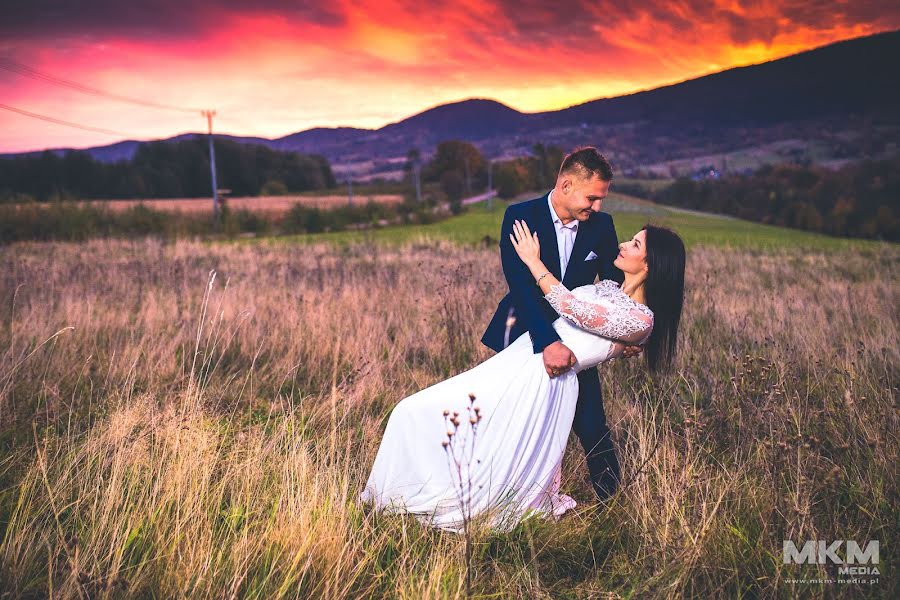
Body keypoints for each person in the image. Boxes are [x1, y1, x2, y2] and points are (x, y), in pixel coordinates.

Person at [359, 216, 686, 532]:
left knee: (460, 427)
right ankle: (397, 494)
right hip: (518, 361)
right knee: (416, 411)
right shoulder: (608, 289)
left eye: (635, 244)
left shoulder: (640, 319)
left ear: (651, 263)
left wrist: (533, 261)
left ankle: (447, 499)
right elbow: (590, 321)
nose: (623, 244)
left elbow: (572, 308)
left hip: (543, 380)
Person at [482, 147, 634, 501]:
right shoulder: (520, 216)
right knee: (517, 422)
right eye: (592, 197)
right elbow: (521, 287)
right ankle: (503, 497)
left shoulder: (602, 225)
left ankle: (611, 502)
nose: (596, 207)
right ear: (566, 185)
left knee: (592, 422)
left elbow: (613, 286)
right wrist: (548, 342)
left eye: (601, 199)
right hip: (525, 333)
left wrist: (626, 332)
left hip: (579, 340)